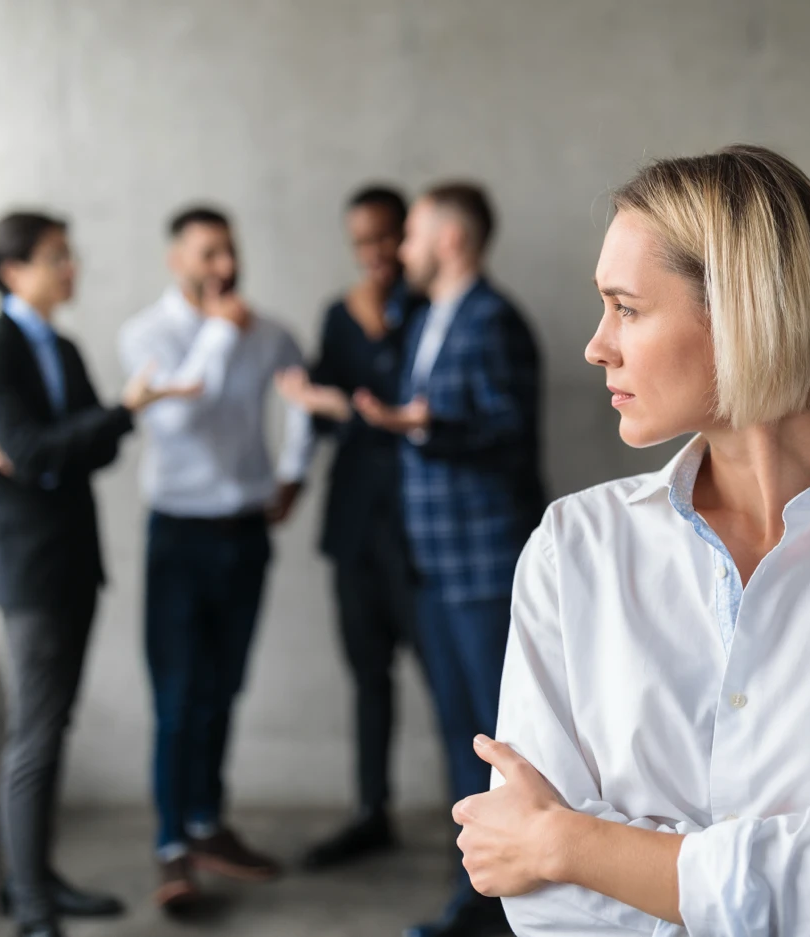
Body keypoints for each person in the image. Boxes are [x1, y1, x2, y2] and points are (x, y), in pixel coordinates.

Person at [450, 146, 810, 937]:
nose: (595, 344)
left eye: (627, 307)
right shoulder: (572, 547)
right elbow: (551, 911)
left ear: (742, 312)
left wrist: (568, 841)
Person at [0, 211, 195, 937]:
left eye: (69, 255)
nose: (72, 268)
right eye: (57, 257)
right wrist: (102, 420)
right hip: (29, 568)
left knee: (53, 725)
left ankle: (34, 878)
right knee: (33, 732)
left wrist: (58, 444)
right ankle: (30, 905)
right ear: (12, 270)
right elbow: (38, 448)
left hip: (73, 562)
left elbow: (88, 451)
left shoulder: (60, 345)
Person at [350, 182, 545, 937]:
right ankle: (482, 894)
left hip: (484, 562)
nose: (400, 250)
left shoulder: (496, 320)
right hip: (430, 563)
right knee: (461, 734)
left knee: (504, 744)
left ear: (451, 239)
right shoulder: (431, 315)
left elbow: (508, 429)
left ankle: (508, 906)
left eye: (412, 236)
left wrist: (427, 424)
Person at [117, 205, 313, 912]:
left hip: (244, 534)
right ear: (176, 260)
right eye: (207, 254)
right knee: (177, 696)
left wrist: (293, 474)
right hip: (178, 535)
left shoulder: (270, 333)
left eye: (229, 252)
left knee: (223, 687)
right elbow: (173, 418)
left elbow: (303, 401)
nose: (223, 267)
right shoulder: (145, 335)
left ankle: (206, 823)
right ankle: (172, 844)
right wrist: (220, 339)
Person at [274, 185, 425, 869]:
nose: (375, 254)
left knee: (454, 681)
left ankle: (478, 822)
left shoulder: (431, 307)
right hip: (355, 524)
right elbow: (317, 406)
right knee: (367, 676)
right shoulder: (339, 314)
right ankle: (371, 809)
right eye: (361, 242)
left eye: (386, 238)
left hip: (423, 528)